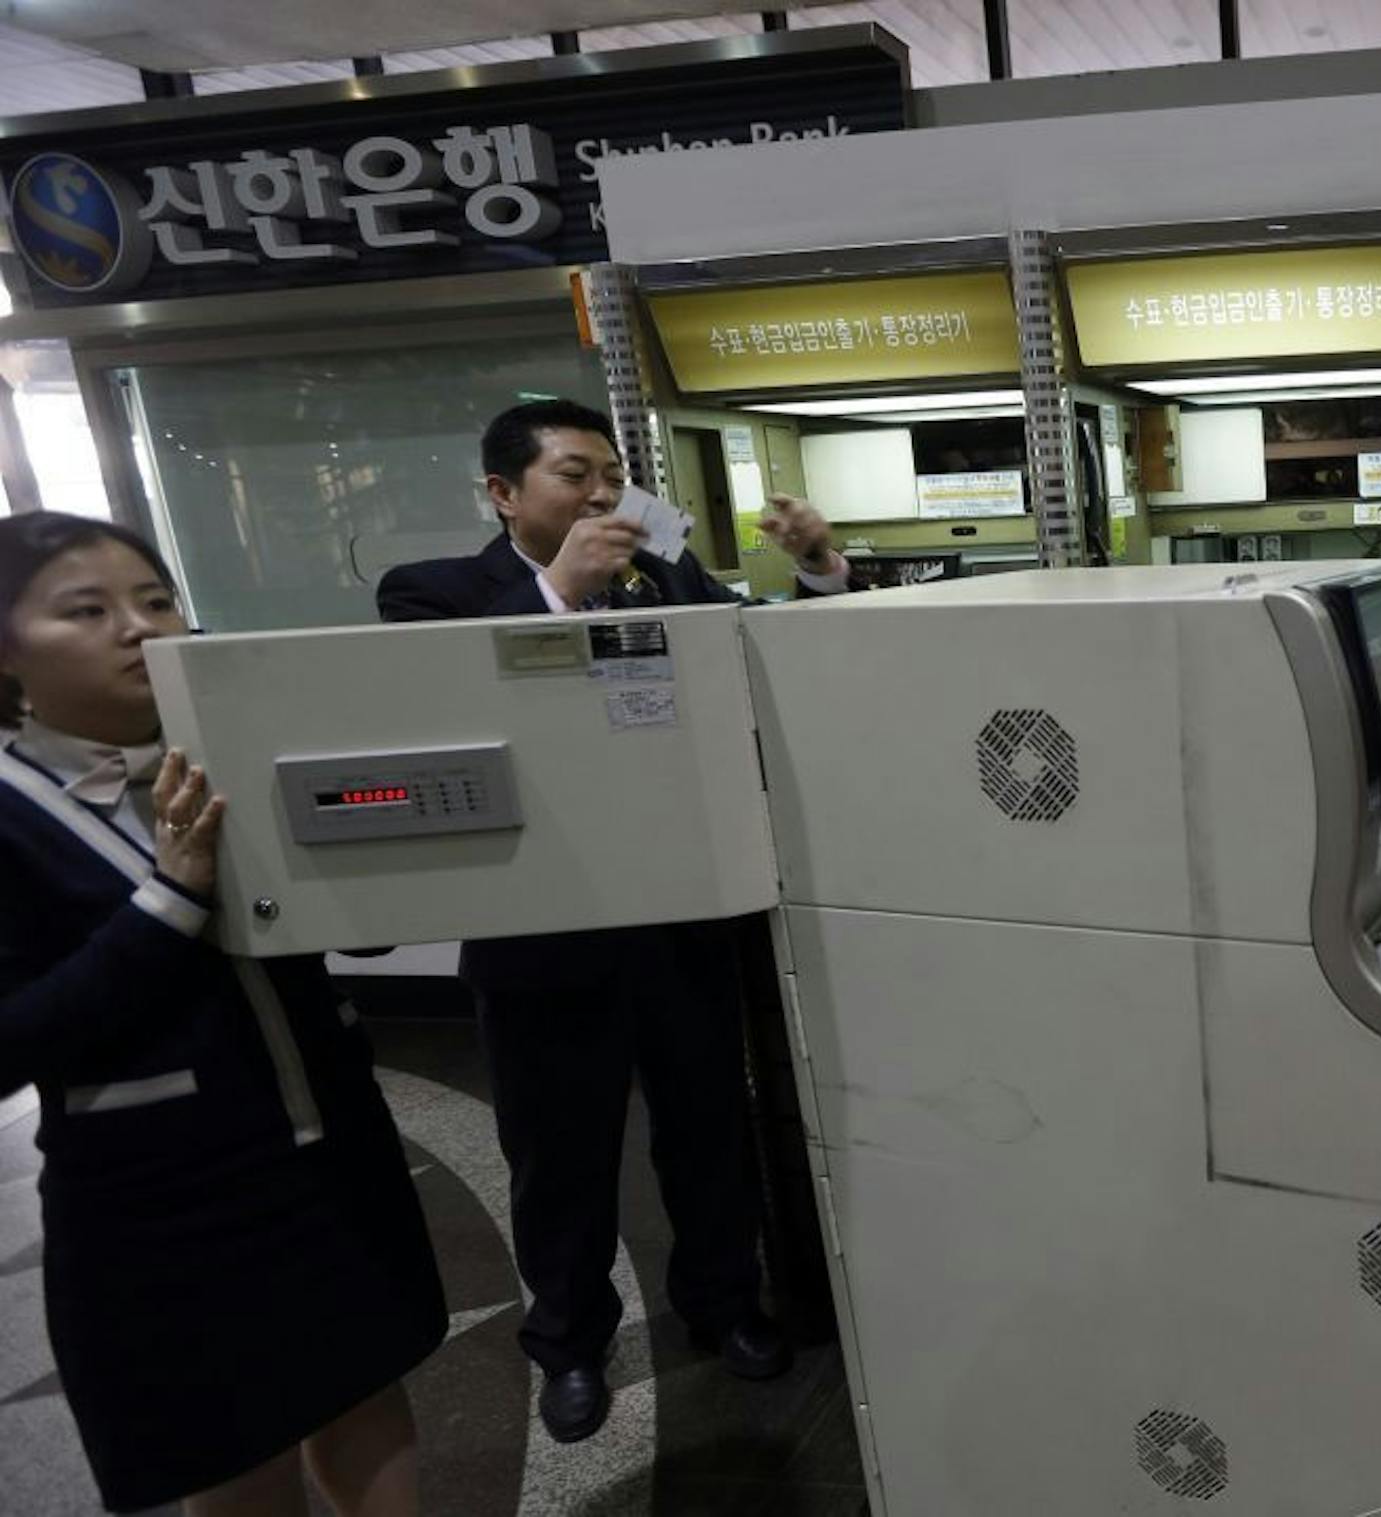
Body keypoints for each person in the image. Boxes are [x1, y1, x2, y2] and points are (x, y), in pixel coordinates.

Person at [375, 399, 852, 1444]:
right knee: (561, 1157)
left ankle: (723, 1305)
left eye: (612, 475)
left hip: (678, 914)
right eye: (573, 475)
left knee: (708, 1135)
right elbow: (441, 707)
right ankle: (569, 1342)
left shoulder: (669, 578)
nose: (601, 495)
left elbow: (762, 669)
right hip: (540, 931)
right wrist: (559, 594)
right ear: (503, 493)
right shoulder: (432, 594)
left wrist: (817, 568)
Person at [0, 514, 446, 1515]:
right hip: (164, 1201)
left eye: (155, 599)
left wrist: (366, 877)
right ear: (8, 651)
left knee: (369, 1394)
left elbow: (348, 935)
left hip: (333, 1152)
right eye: (88, 609)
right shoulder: (11, 808)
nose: (139, 626)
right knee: (238, 1455)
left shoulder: (225, 755)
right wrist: (169, 897)